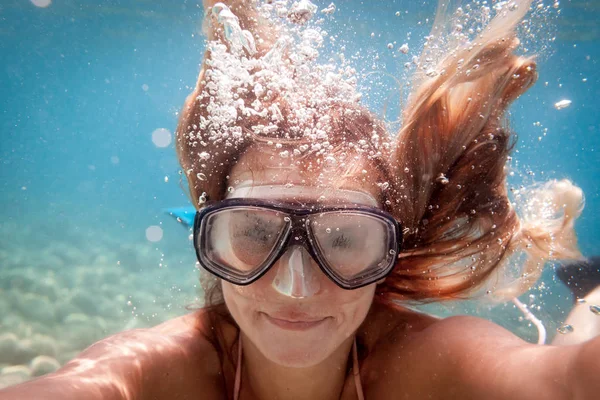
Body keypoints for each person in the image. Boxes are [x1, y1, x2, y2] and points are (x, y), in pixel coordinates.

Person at [1, 0, 599, 399]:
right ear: (211, 239)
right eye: (255, 234)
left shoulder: (426, 362)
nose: (296, 288)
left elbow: (566, 382)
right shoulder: (168, 367)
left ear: (387, 248)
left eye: (343, 241)